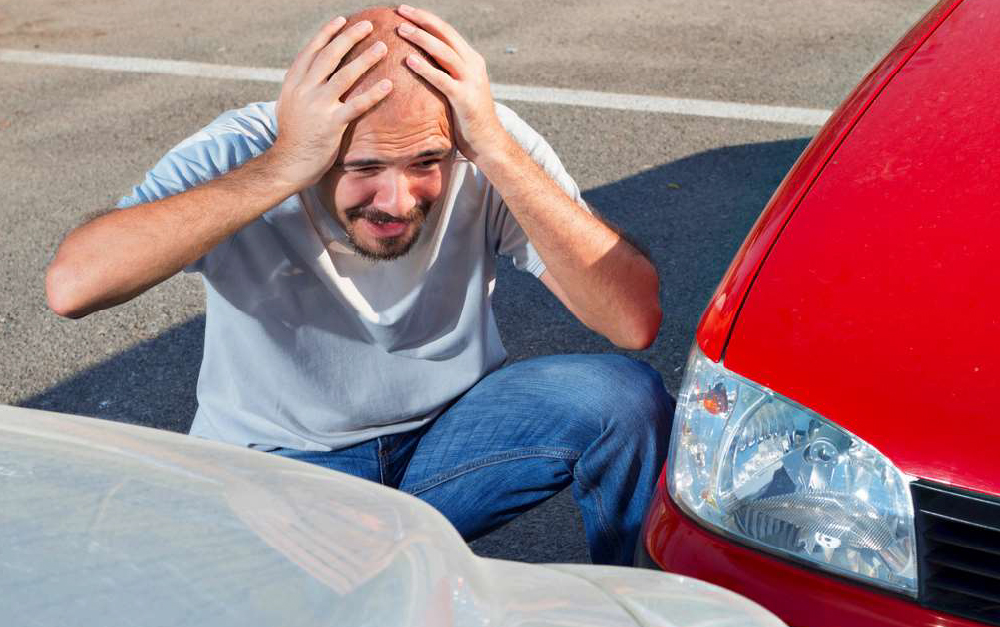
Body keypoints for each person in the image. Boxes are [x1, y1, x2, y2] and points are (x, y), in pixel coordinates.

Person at [45, 5, 673, 565]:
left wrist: (497, 151)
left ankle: (643, 626)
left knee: (622, 400)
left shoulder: (479, 138)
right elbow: (73, 286)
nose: (397, 201)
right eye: (364, 167)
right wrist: (284, 166)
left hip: (449, 441)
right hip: (280, 471)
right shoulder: (247, 149)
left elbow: (631, 318)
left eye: (426, 163)